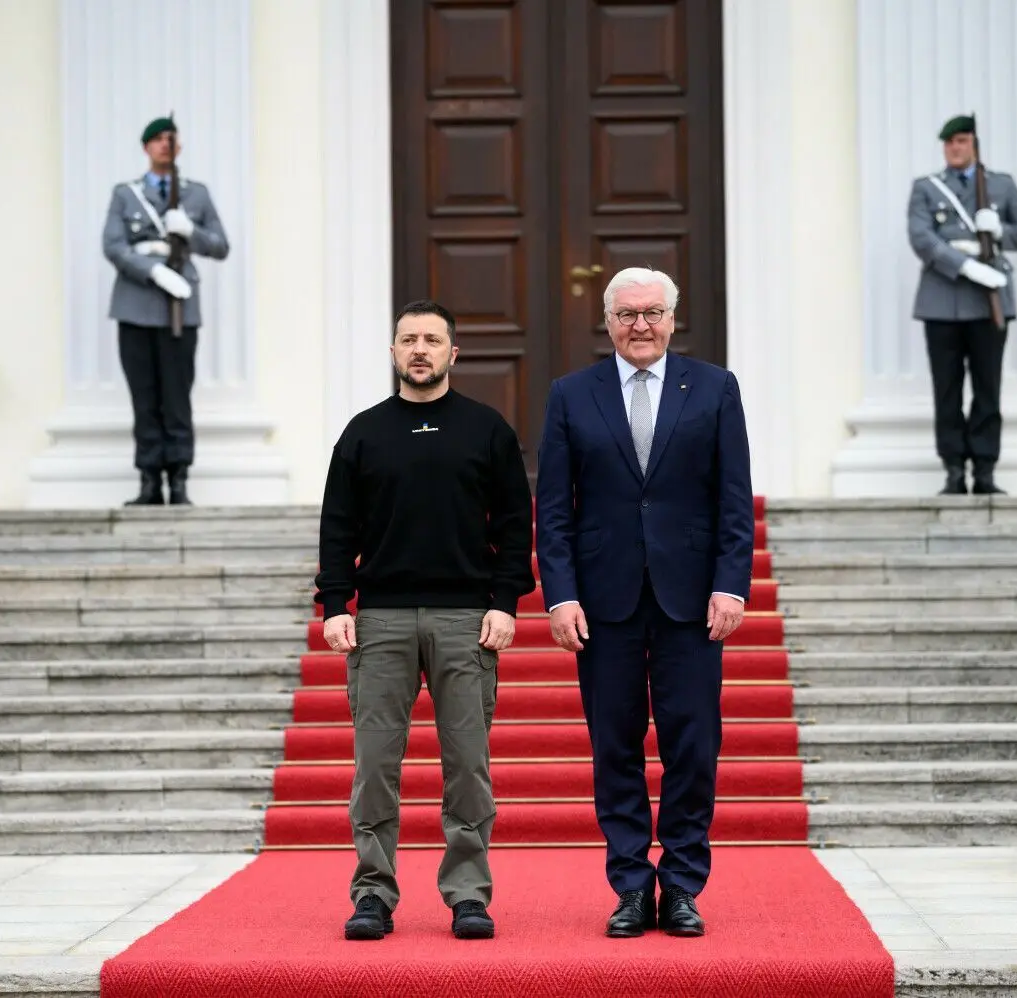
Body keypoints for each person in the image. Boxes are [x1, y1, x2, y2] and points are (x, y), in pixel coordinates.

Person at [534, 267, 754, 939]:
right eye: (627, 314)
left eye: (652, 312)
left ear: (672, 319)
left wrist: (731, 582)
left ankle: (683, 884)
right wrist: (560, 594)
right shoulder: (572, 395)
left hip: (692, 599)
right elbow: (555, 511)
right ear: (608, 322)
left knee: (693, 744)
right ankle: (630, 882)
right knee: (614, 747)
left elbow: (734, 497)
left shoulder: (715, 388)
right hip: (605, 603)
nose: (640, 325)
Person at [314, 299, 535, 942]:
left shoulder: (486, 430)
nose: (419, 350)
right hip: (379, 620)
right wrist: (335, 604)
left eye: (432, 340)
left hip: (466, 618)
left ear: (452, 353)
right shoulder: (363, 433)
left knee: (467, 765)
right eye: (408, 339)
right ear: (392, 352)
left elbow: (515, 525)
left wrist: (504, 603)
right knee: (375, 766)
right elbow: (337, 527)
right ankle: (373, 895)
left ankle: (468, 894)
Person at [908, 114, 1017, 496]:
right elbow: (921, 238)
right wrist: (965, 264)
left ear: (974, 144)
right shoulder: (927, 188)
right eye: (950, 142)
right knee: (947, 389)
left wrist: (1001, 231)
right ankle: (954, 468)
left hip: (989, 305)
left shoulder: (1000, 186)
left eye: (963, 141)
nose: (955, 148)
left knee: (988, 388)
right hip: (942, 300)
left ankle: (985, 468)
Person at [102, 116, 229, 507]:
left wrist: (190, 231)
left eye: (170, 140)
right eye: (156, 139)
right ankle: (148, 481)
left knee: (176, 396)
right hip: (136, 304)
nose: (164, 145)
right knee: (144, 396)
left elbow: (220, 246)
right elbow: (113, 246)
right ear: (146, 147)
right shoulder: (126, 194)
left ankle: (178, 479)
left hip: (180, 309)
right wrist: (153, 270)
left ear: (179, 147)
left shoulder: (196, 194)